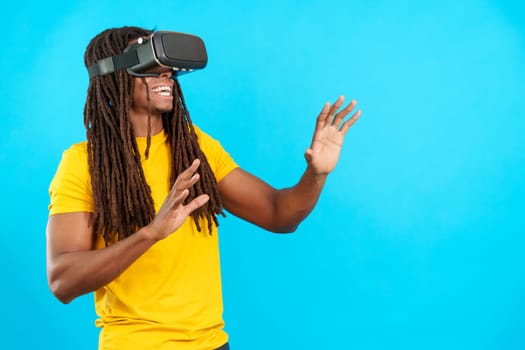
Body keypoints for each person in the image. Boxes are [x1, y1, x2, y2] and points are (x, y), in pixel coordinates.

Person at [46, 26, 361, 350]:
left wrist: (316, 174)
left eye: (167, 68)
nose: (165, 74)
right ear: (112, 75)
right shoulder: (84, 163)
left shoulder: (194, 148)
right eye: (148, 66)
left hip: (211, 344)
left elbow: (279, 214)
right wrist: (150, 233)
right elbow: (62, 280)